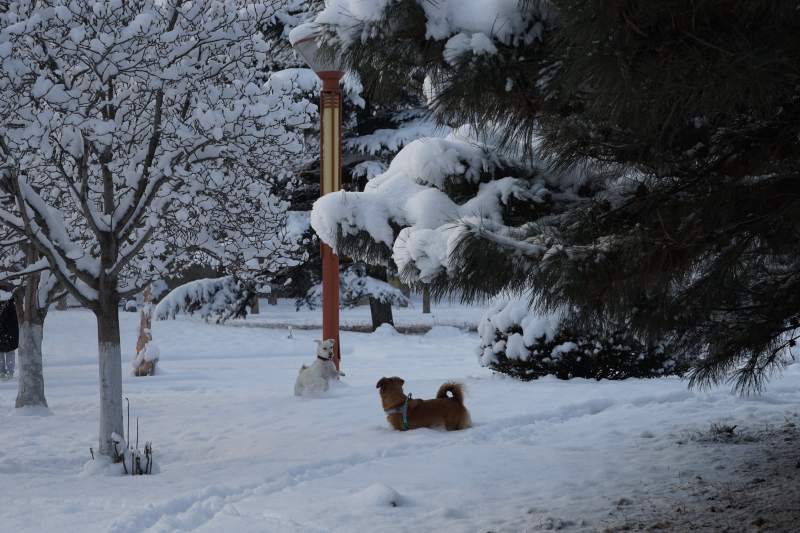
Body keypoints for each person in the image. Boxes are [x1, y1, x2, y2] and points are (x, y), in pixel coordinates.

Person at [0, 297, 19, 379]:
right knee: (7, 353)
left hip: (9, 332)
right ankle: (3, 372)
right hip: (9, 332)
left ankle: (6, 372)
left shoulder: (11, 304)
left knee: (8, 352)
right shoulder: (12, 303)